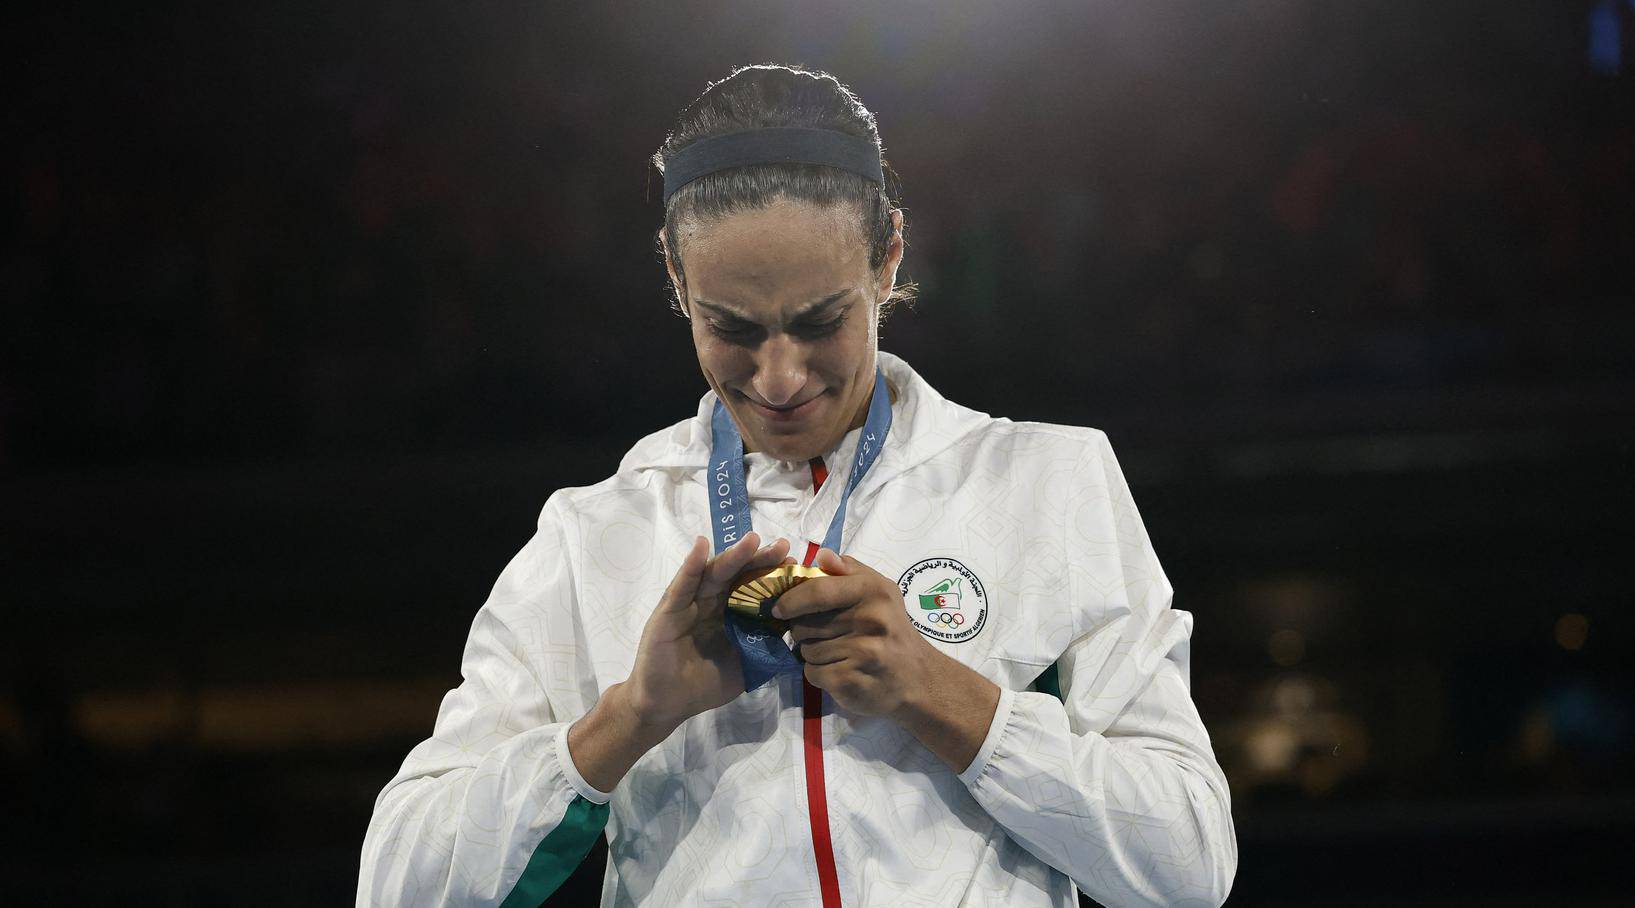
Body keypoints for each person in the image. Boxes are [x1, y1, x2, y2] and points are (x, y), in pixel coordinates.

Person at [358, 63, 1237, 908]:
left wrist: (941, 694)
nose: (778, 379)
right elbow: (397, 887)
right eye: (730, 327)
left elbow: (1187, 865)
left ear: (887, 260)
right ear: (675, 278)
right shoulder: (593, 536)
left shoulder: (1044, 482)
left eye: (820, 322)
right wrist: (628, 718)